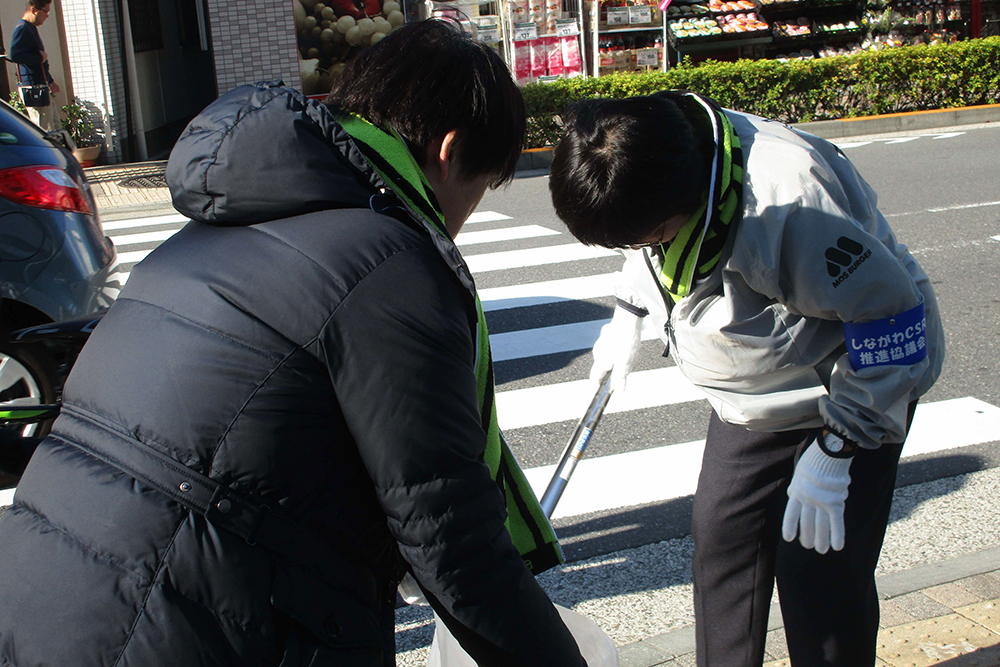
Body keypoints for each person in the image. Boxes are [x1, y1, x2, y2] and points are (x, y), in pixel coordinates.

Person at [0, 20, 587, 667]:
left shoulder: (213, 226)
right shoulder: (390, 260)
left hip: (38, 598)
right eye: (480, 188)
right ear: (449, 151)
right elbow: (449, 535)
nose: (466, 214)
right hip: (172, 633)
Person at [548, 91, 944, 667]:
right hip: (757, 395)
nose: (643, 247)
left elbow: (888, 317)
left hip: (852, 386)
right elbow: (652, 245)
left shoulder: (790, 206)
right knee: (723, 545)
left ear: (669, 213)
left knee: (820, 575)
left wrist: (839, 449)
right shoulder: (658, 152)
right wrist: (629, 313)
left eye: (644, 237)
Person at [9, 0, 60, 131]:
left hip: (41, 85)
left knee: (55, 127)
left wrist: (50, 80)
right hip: (33, 88)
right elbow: (16, 56)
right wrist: (40, 58)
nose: (47, 16)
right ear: (33, 10)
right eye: (46, 12)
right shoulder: (22, 29)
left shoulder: (30, 28)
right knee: (44, 130)